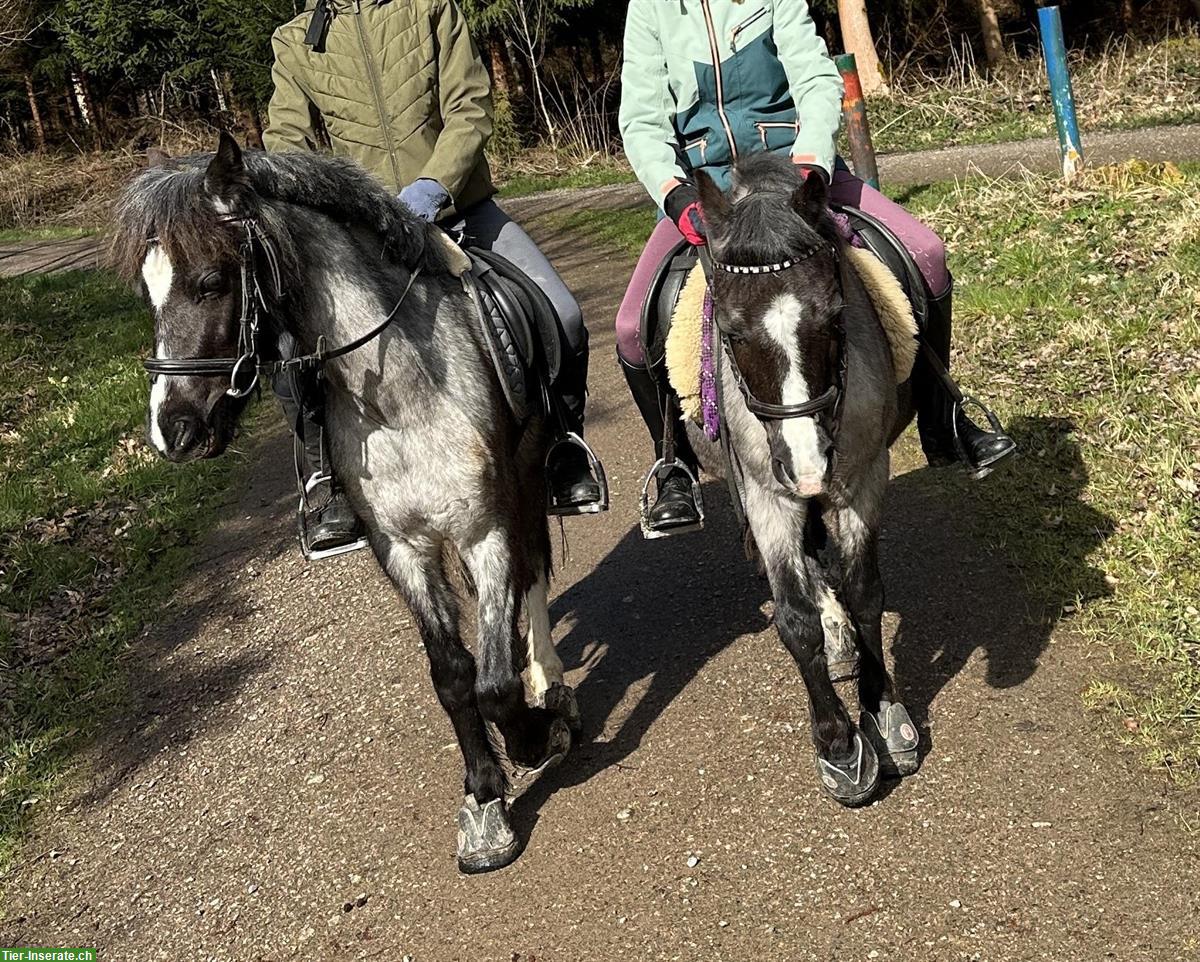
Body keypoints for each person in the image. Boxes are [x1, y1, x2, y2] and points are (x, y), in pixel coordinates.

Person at [616, 0, 1016, 537]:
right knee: (630, 329)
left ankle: (943, 417)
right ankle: (674, 464)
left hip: (796, 177)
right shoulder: (650, 9)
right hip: (709, 192)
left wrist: (808, 163)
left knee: (927, 254)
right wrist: (675, 193)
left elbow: (814, 78)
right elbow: (641, 119)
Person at [264, 0, 605, 557]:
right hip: (362, 227)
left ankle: (563, 449)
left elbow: (470, 105)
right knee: (290, 351)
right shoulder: (295, 40)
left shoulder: (430, 8)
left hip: (458, 209)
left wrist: (431, 188)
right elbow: (287, 143)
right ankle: (328, 486)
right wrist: (344, 208)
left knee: (561, 313)